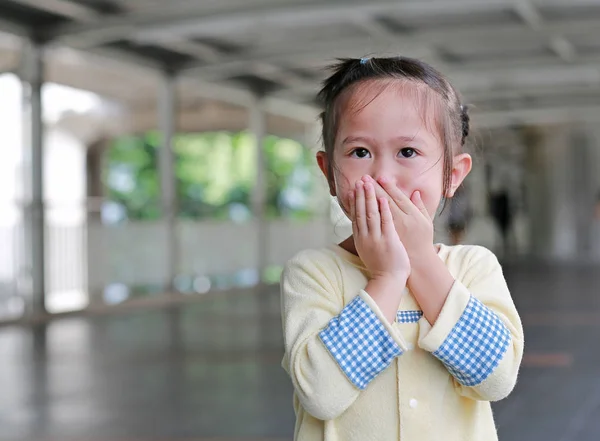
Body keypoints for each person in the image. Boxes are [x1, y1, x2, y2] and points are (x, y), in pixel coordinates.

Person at [280, 57, 524, 441]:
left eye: (407, 152)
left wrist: (421, 261)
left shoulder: (475, 267)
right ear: (329, 173)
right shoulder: (314, 272)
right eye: (360, 152)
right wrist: (387, 277)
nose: (383, 176)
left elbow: (495, 379)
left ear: (453, 175)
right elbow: (321, 395)